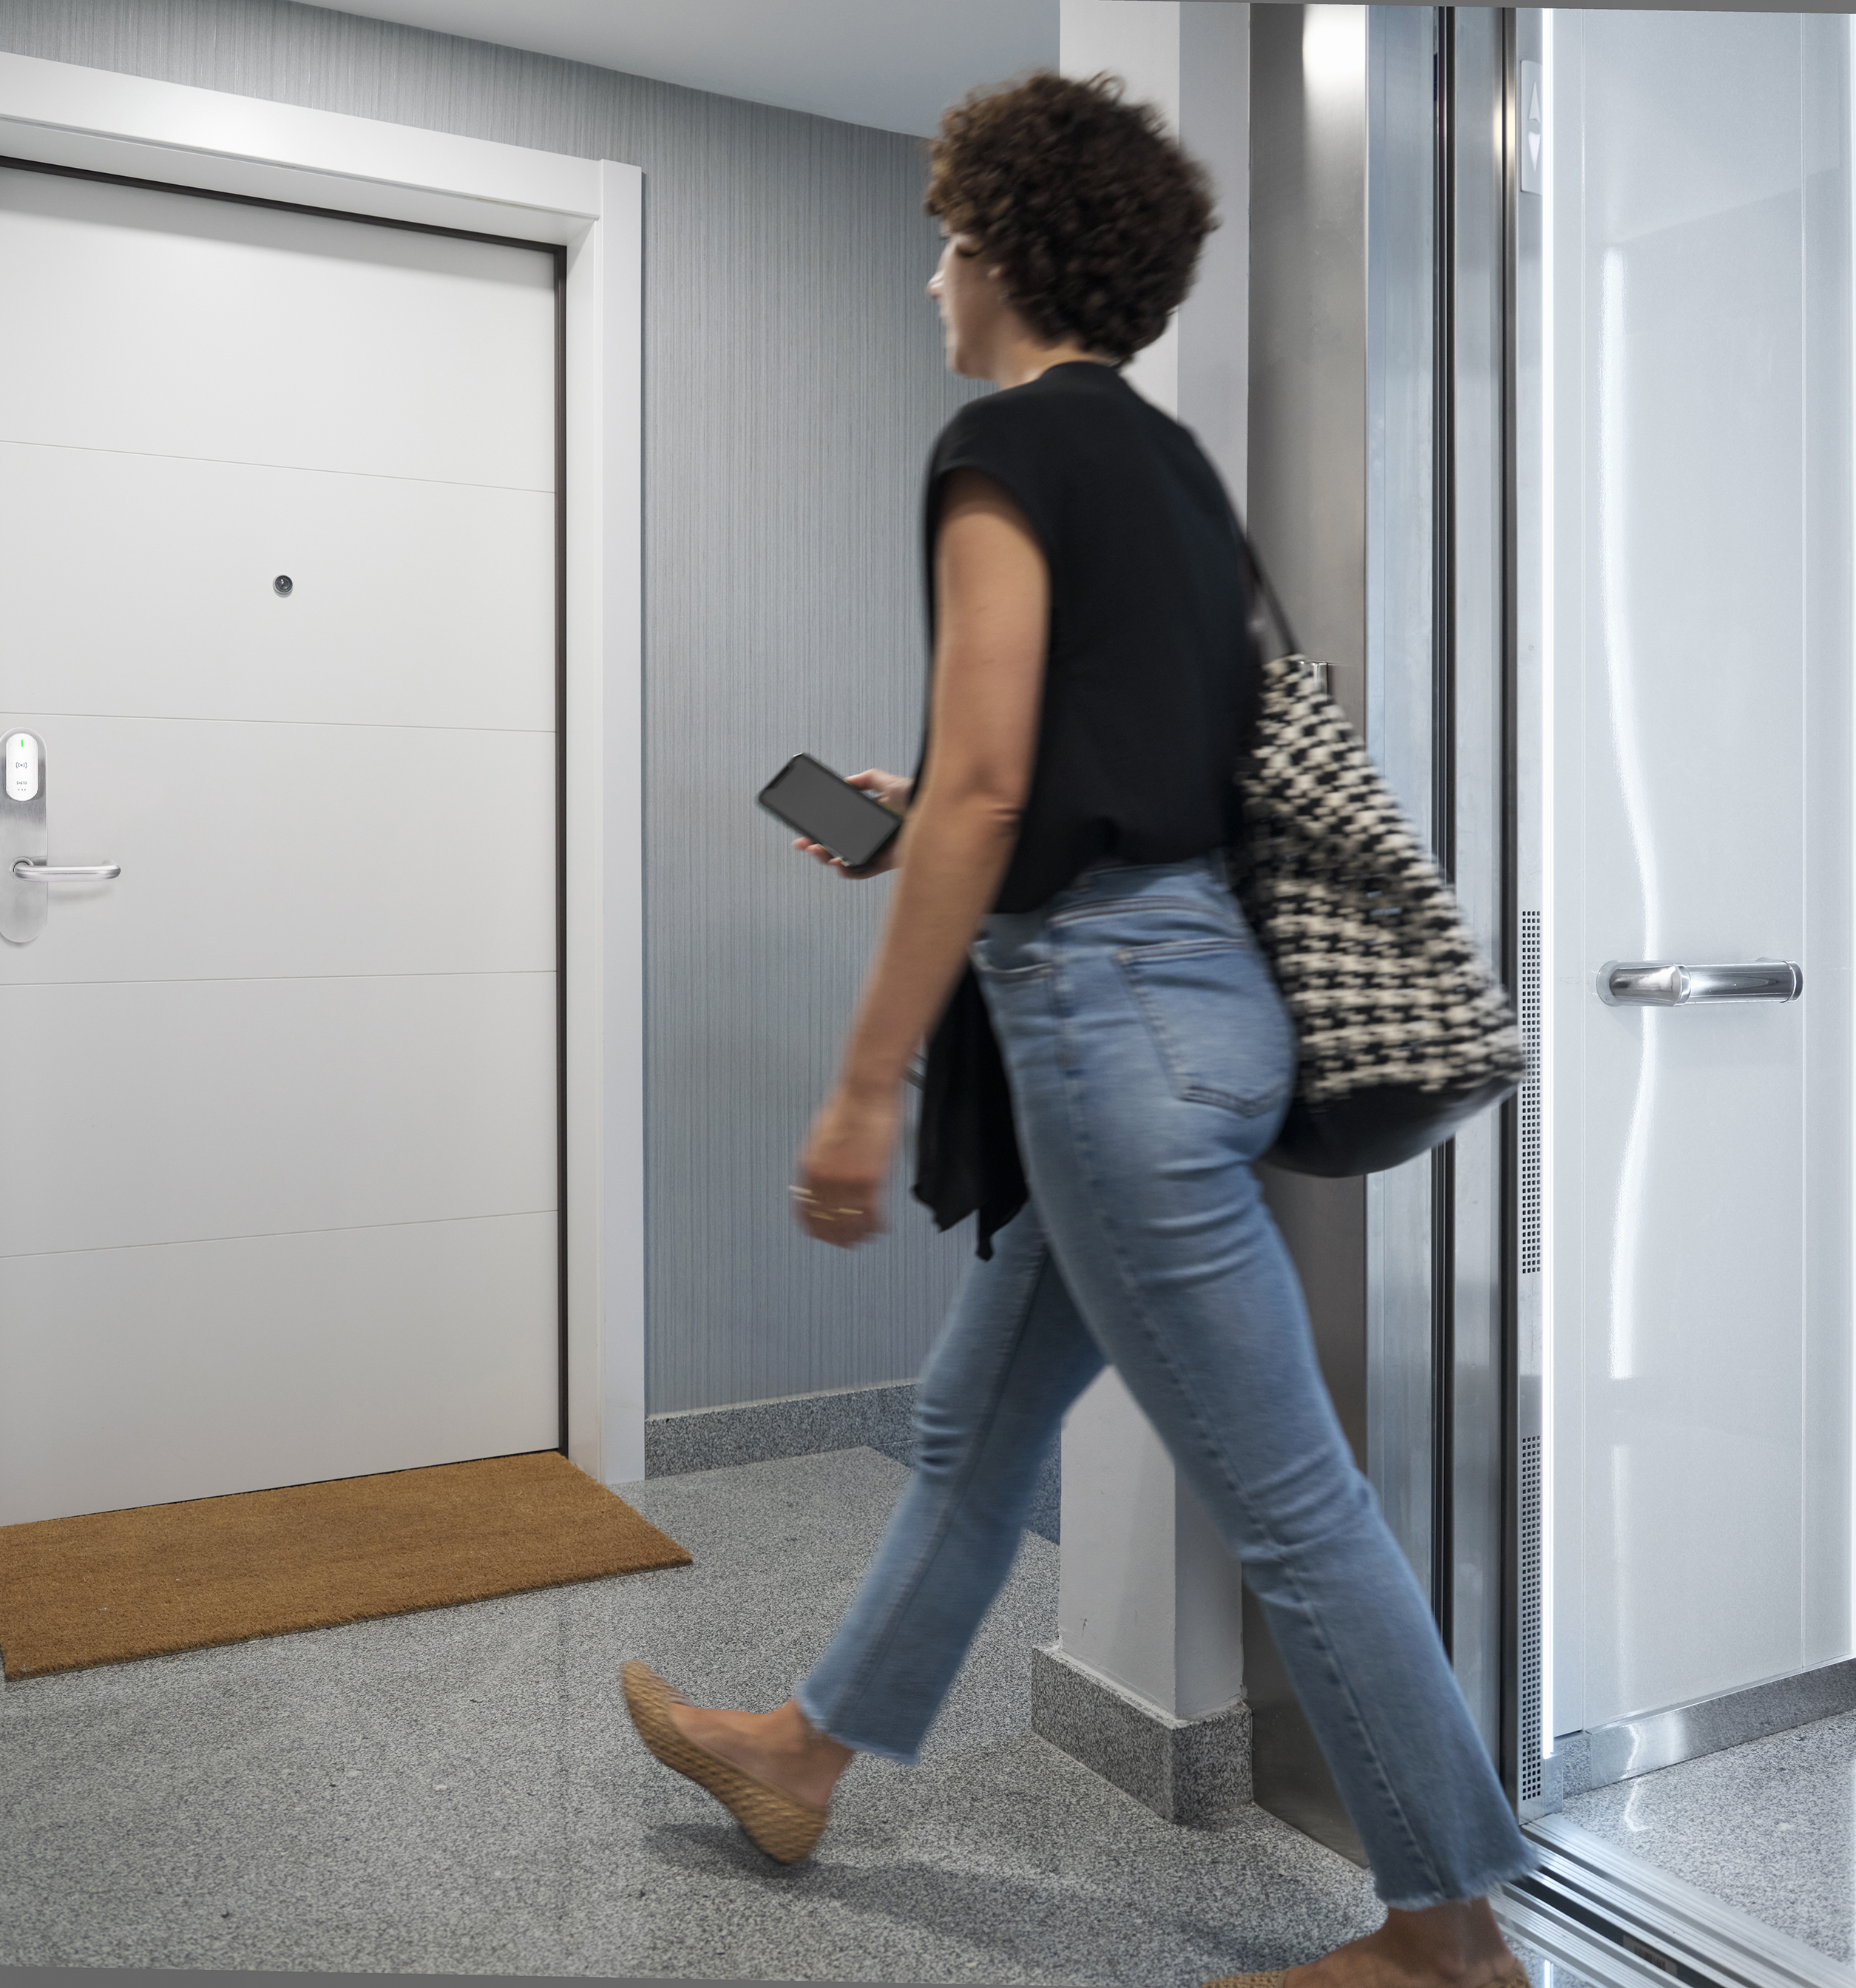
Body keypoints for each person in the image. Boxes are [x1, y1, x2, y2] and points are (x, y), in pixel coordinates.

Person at [620, 72, 1535, 1988]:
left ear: (1002, 251)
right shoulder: (1175, 477)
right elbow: (1079, 779)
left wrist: (861, 1087)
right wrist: (937, 807)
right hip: (1189, 1003)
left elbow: (985, 798)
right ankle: (800, 1759)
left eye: (944, 245)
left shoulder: (1001, 449)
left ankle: (1446, 1938)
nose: (931, 283)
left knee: (1291, 1504)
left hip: (1105, 1025)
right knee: (968, 1431)